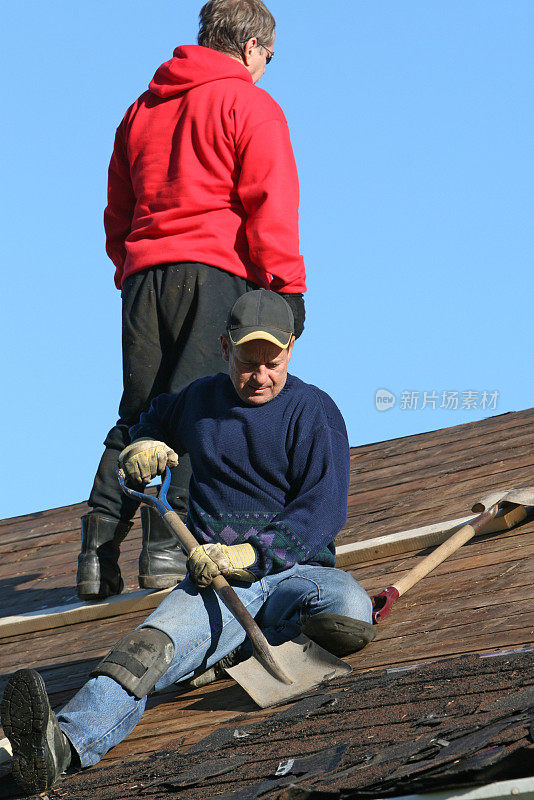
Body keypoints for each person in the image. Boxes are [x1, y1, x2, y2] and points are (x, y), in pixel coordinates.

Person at [2, 291, 375, 795]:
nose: (261, 376)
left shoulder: (314, 411)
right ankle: (63, 745)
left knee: (350, 607)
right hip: (215, 584)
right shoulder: (199, 400)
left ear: (292, 350)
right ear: (224, 348)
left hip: (296, 574)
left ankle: (230, 649)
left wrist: (252, 554)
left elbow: (324, 510)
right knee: (146, 650)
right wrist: (144, 442)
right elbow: (153, 416)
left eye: (274, 363)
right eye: (248, 362)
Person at [77, 0, 307, 602]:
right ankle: (163, 553)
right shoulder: (249, 105)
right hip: (215, 275)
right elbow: (271, 204)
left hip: (144, 275)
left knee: (140, 409)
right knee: (199, 407)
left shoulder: (141, 109)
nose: (265, 70)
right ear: (252, 47)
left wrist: (133, 268)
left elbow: (117, 212)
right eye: (268, 58)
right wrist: (286, 290)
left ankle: (97, 552)